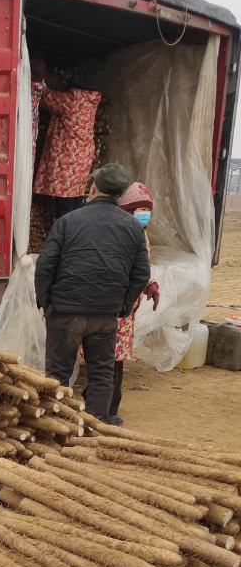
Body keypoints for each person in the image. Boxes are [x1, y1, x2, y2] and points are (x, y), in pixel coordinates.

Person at [35, 163, 151, 421]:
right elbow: (141, 273)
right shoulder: (133, 229)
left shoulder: (67, 221)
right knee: (101, 373)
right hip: (104, 315)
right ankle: (96, 427)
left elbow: (45, 265)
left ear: (94, 187)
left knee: (57, 374)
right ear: (119, 194)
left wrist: (46, 303)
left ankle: (56, 426)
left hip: (65, 313)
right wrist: (122, 304)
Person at [109, 181, 160, 424]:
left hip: (126, 306)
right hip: (115, 302)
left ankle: (104, 404)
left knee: (115, 357)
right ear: (127, 210)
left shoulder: (141, 234)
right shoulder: (121, 233)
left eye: (147, 211)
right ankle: (107, 409)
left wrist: (149, 283)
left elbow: (141, 268)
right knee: (110, 358)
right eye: (140, 211)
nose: (145, 216)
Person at [33, 80, 102, 220]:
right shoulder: (91, 99)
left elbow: (45, 97)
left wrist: (40, 80)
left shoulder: (73, 100)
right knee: (76, 199)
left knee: (65, 205)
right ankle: (76, 235)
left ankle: (66, 237)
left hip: (68, 159)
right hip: (82, 158)